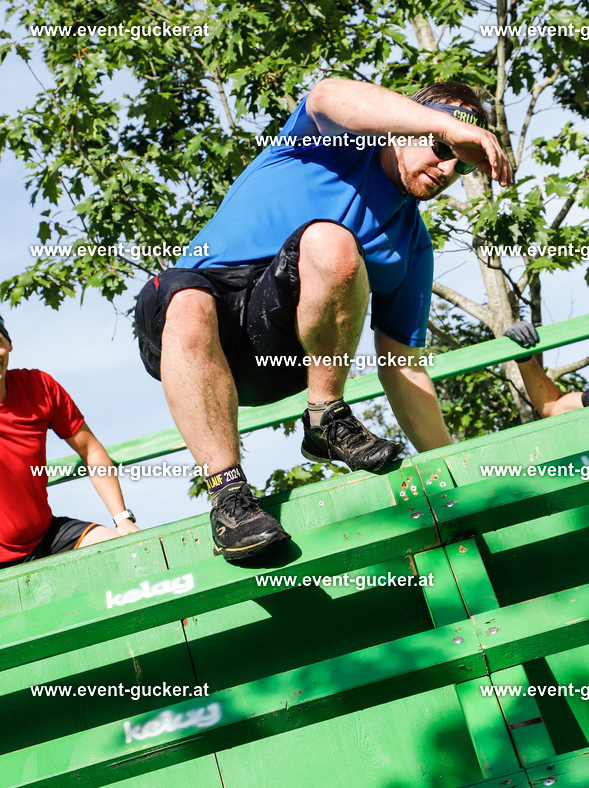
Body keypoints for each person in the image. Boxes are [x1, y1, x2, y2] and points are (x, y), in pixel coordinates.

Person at [135, 77, 511, 561]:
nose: (448, 167)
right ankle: (229, 498)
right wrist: (450, 126)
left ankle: (324, 418)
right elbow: (326, 94)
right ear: (406, 126)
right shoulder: (332, 142)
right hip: (191, 331)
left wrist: (453, 469)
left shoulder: (412, 246)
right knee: (187, 296)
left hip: (280, 353)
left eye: (462, 164)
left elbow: (404, 366)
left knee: (332, 243)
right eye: (441, 147)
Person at [0, 315, 140, 569]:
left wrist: (122, 518)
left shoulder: (39, 387)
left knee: (129, 552)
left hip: (47, 535)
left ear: (9, 345)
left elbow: (90, 449)